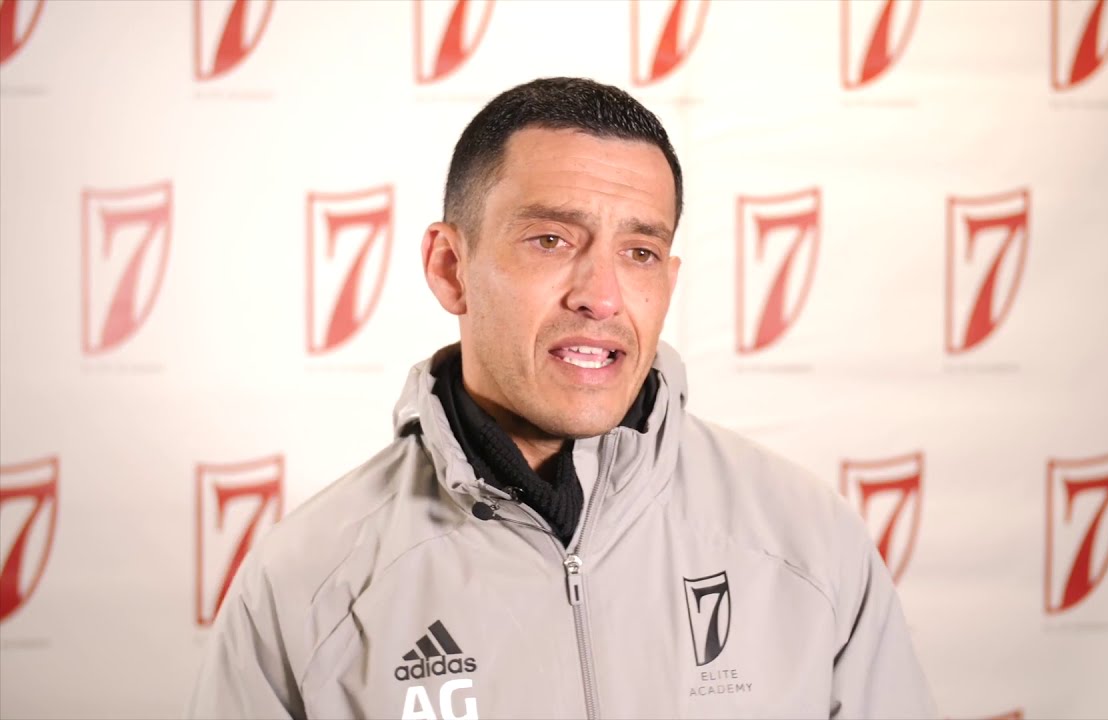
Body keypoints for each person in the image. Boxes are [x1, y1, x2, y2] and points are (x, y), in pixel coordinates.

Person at [188, 77, 936, 720]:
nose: (601, 296)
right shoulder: (308, 580)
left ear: (668, 281)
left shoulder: (808, 542)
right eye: (552, 240)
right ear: (450, 267)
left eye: (639, 253)